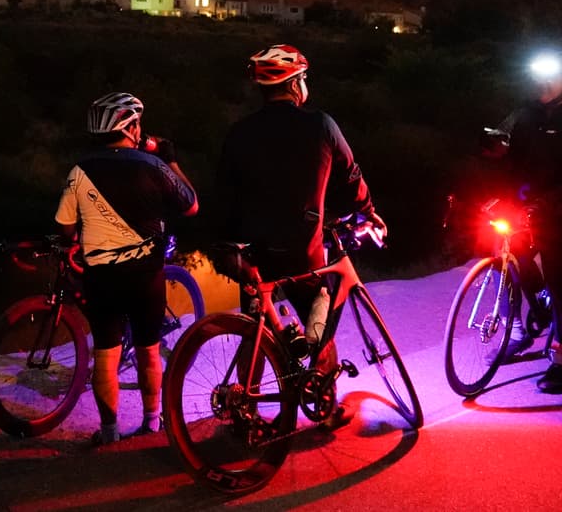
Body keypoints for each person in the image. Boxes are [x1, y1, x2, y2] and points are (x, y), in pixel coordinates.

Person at [215, 44, 387, 426]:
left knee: (254, 330)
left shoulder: (239, 133)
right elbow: (351, 176)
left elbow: (224, 194)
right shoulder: (321, 125)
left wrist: (227, 246)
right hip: (302, 248)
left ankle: (246, 409)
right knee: (319, 316)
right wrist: (367, 210)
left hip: (253, 250)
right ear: (295, 85)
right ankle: (325, 407)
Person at [54, 91, 198, 445]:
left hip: (102, 277)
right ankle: (151, 423)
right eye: (137, 125)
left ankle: (109, 434)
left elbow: (65, 227)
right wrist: (170, 159)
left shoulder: (79, 170)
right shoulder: (153, 166)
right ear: (130, 127)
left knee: (106, 353)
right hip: (146, 276)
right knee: (149, 350)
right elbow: (191, 205)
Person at [481, 47, 562, 393]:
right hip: (529, 206)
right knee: (506, 255)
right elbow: (510, 157)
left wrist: (548, 204)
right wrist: (491, 149)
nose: (542, 83)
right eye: (538, 77)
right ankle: (526, 323)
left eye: (550, 77)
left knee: (558, 275)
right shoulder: (526, 115)